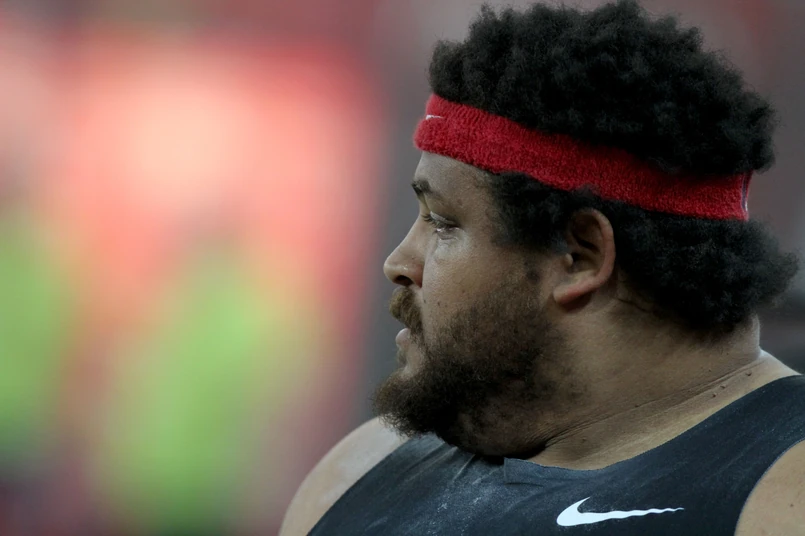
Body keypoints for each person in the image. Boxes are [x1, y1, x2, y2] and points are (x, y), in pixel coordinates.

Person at [280, 1, 805, 534]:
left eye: (443, 222)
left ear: (579, 257)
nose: (398, 263)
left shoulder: (784, 495)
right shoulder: (357, 474)